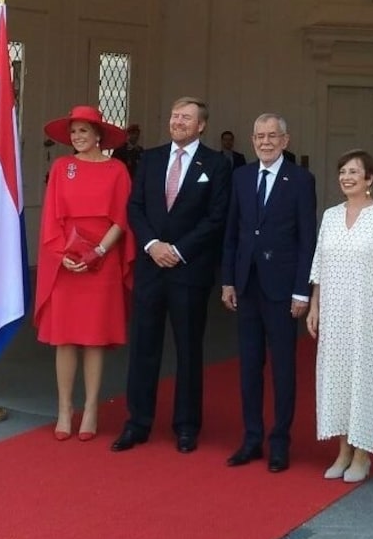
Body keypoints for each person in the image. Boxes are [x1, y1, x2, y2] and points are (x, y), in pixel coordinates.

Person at [111, 96, 231, 454]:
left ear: (201, 125)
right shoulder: (150, 158)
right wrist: (151, 245)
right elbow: (134, 207)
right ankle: (138, 422)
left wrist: (177, 250)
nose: (178, 122)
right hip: (151, 268)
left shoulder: (216, 164)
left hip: (189, 270)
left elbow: (217, 217)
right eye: (175, 116)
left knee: (189, 350)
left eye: (186, 118)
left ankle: (186, 426)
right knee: (144, 347)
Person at [221, 113, 316, 473]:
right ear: (252, 139)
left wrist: (301, 292)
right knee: (248, 367)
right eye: (259, 136)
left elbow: (307, 239)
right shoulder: (241, 176)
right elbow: (232, 233)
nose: (265, 142)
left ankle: (280, 442)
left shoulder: (301, 180)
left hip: (282, 288)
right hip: (246, 285)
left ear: (285, 140)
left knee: (283, 368)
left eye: (272, 136)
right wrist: (228, 280)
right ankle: (251, 438)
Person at [34, 105, 135, 441]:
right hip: (66, 258)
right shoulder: (62, 167)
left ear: (98, 136)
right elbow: (51, 215)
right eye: (73, 132)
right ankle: (65, 408)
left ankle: (91, 408)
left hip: (102, 259)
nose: (77, 137)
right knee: (64, 338)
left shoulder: (118, 170)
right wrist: (64, 254)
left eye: (83, 131)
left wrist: (99, 251)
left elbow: (121, 218)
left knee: (94, 339)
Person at [306, 150, 373, 483]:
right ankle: (343, 450)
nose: (346, 177)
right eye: (342, 171)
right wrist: (315, 306)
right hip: (333, 312)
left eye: (354, 172)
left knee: (365, 379)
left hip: (368, 312)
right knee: (336, 379)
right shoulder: (331, 216)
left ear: (369, 179)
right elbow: (319, 265)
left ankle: (363, 454)